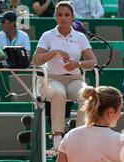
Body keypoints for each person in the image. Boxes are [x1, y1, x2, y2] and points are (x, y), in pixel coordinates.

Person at [32, 1, 97, 151]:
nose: (63, 18)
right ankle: (57, 136)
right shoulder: (47, 36)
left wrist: (77, 64)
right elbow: (36, 60)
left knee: (88, 95)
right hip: (52, 78)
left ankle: (80, 136)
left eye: (67, 15)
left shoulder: (80, 37)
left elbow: (92, 61)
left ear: (73, 17)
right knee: (58, 93)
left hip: (74, 78)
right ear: (55, 17)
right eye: (60, 15)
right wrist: (54, 52)